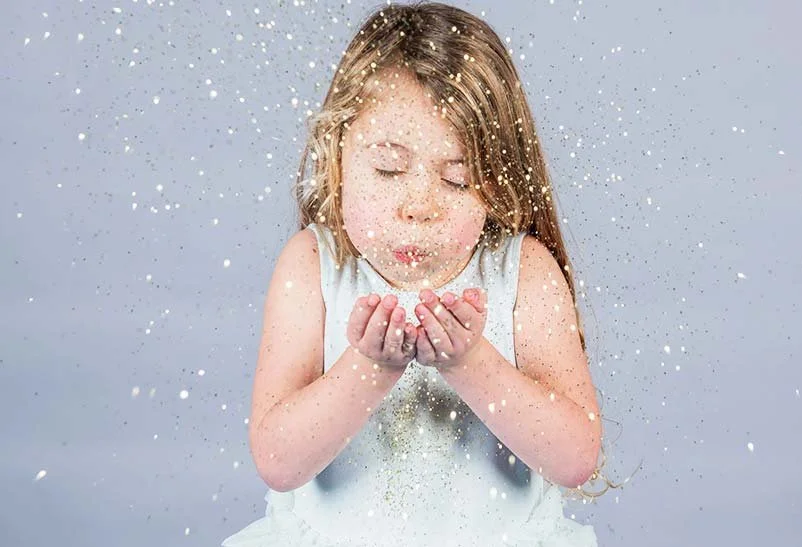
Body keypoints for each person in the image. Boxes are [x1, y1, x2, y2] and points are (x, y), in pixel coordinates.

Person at [221, 3, 603, 546]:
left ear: (496, 181)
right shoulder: (312, 267)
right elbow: (279, 460)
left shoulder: (523, 275)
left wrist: (471, 364)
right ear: (338, 157)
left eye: (456, 179)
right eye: (388, 169)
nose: (418, 204)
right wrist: (369, 370)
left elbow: (574, 457)